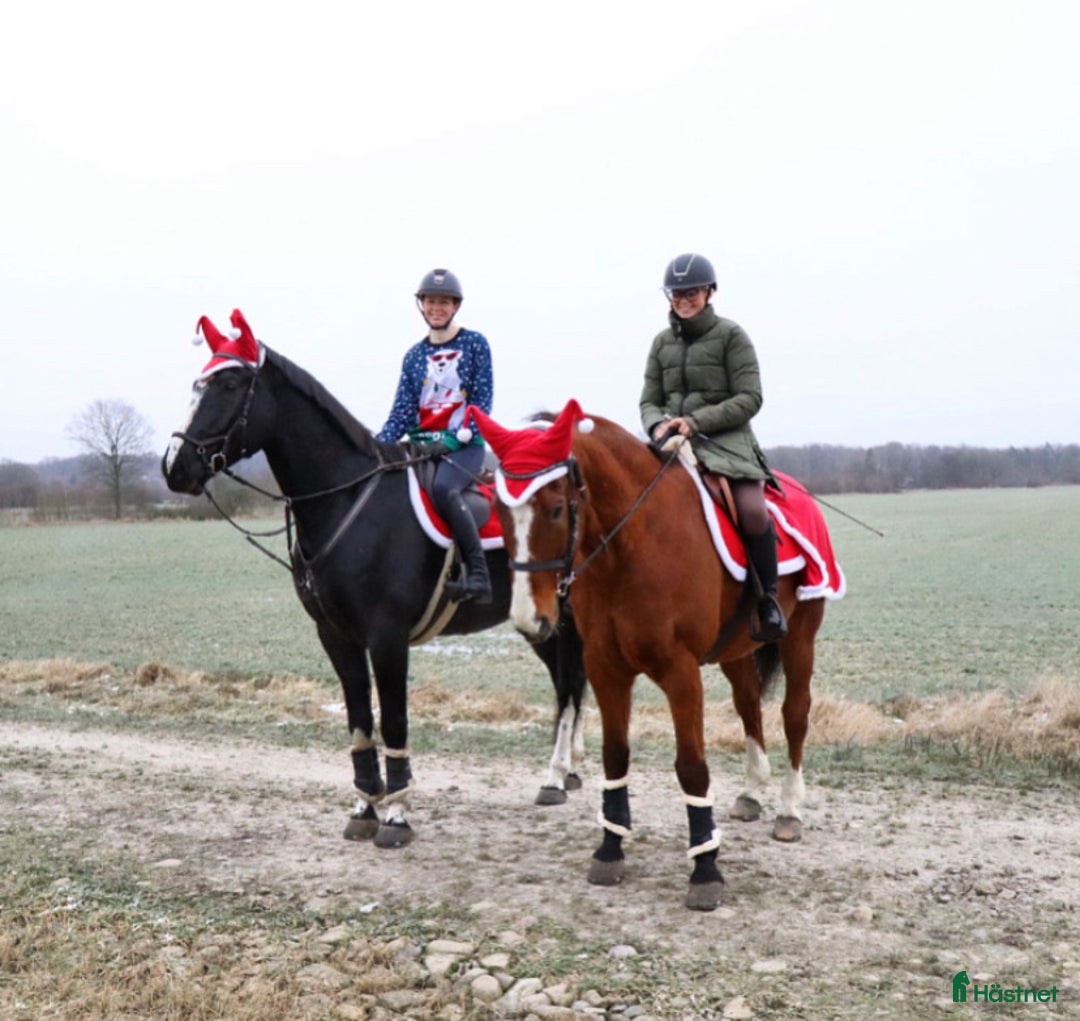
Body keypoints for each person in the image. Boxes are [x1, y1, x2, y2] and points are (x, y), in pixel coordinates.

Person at [639, 252, 788, 642]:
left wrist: (696, 422)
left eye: (691, 292)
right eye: (676, 294)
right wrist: (657, 425)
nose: (683, 300)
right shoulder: (660, 343)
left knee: (752, 511)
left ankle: (769, 601)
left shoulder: (732, 336)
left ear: (708, 292)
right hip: (671, 442)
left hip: (726, 442)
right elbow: (649, 400)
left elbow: (750, 397)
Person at [377, 268, 493, 603]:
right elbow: (402, 412)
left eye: (444, 302)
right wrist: (377, 445)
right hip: (422, 447)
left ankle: (479, 576)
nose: (436, 308)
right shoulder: (413, 356)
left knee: (443, 488)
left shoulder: (475, 344)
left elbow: (482, 403)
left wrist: (456, 438)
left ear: (455, 306)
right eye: (430, 301)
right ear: (422, 305)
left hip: (464, 446)